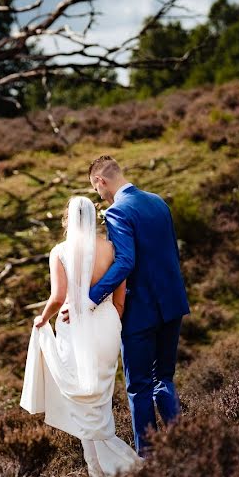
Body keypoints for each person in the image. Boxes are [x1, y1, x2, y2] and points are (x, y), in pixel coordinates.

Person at [20, 196, 141, 477]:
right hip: (108, 324)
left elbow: (58, 297)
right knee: (100, 396)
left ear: (68, 220)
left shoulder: (60, 251)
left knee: (82, 399)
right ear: (95, 218)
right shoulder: (111, 249)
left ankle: (103, 471)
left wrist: (43, 318)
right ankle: (101, 469)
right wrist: (112, 320)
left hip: (74, 328)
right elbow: (120, 297)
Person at [85, 155, 190, 456]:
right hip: (172, 303)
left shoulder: (117, 212)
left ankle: (150, 457)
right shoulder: (158, 202)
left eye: (97, 190)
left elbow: (126, 262)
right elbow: (172, 252)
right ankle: (185, 444)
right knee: (164, 379)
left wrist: (93, 297)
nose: (100, 196)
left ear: (100, 181)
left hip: (141, 311)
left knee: (139, 387)